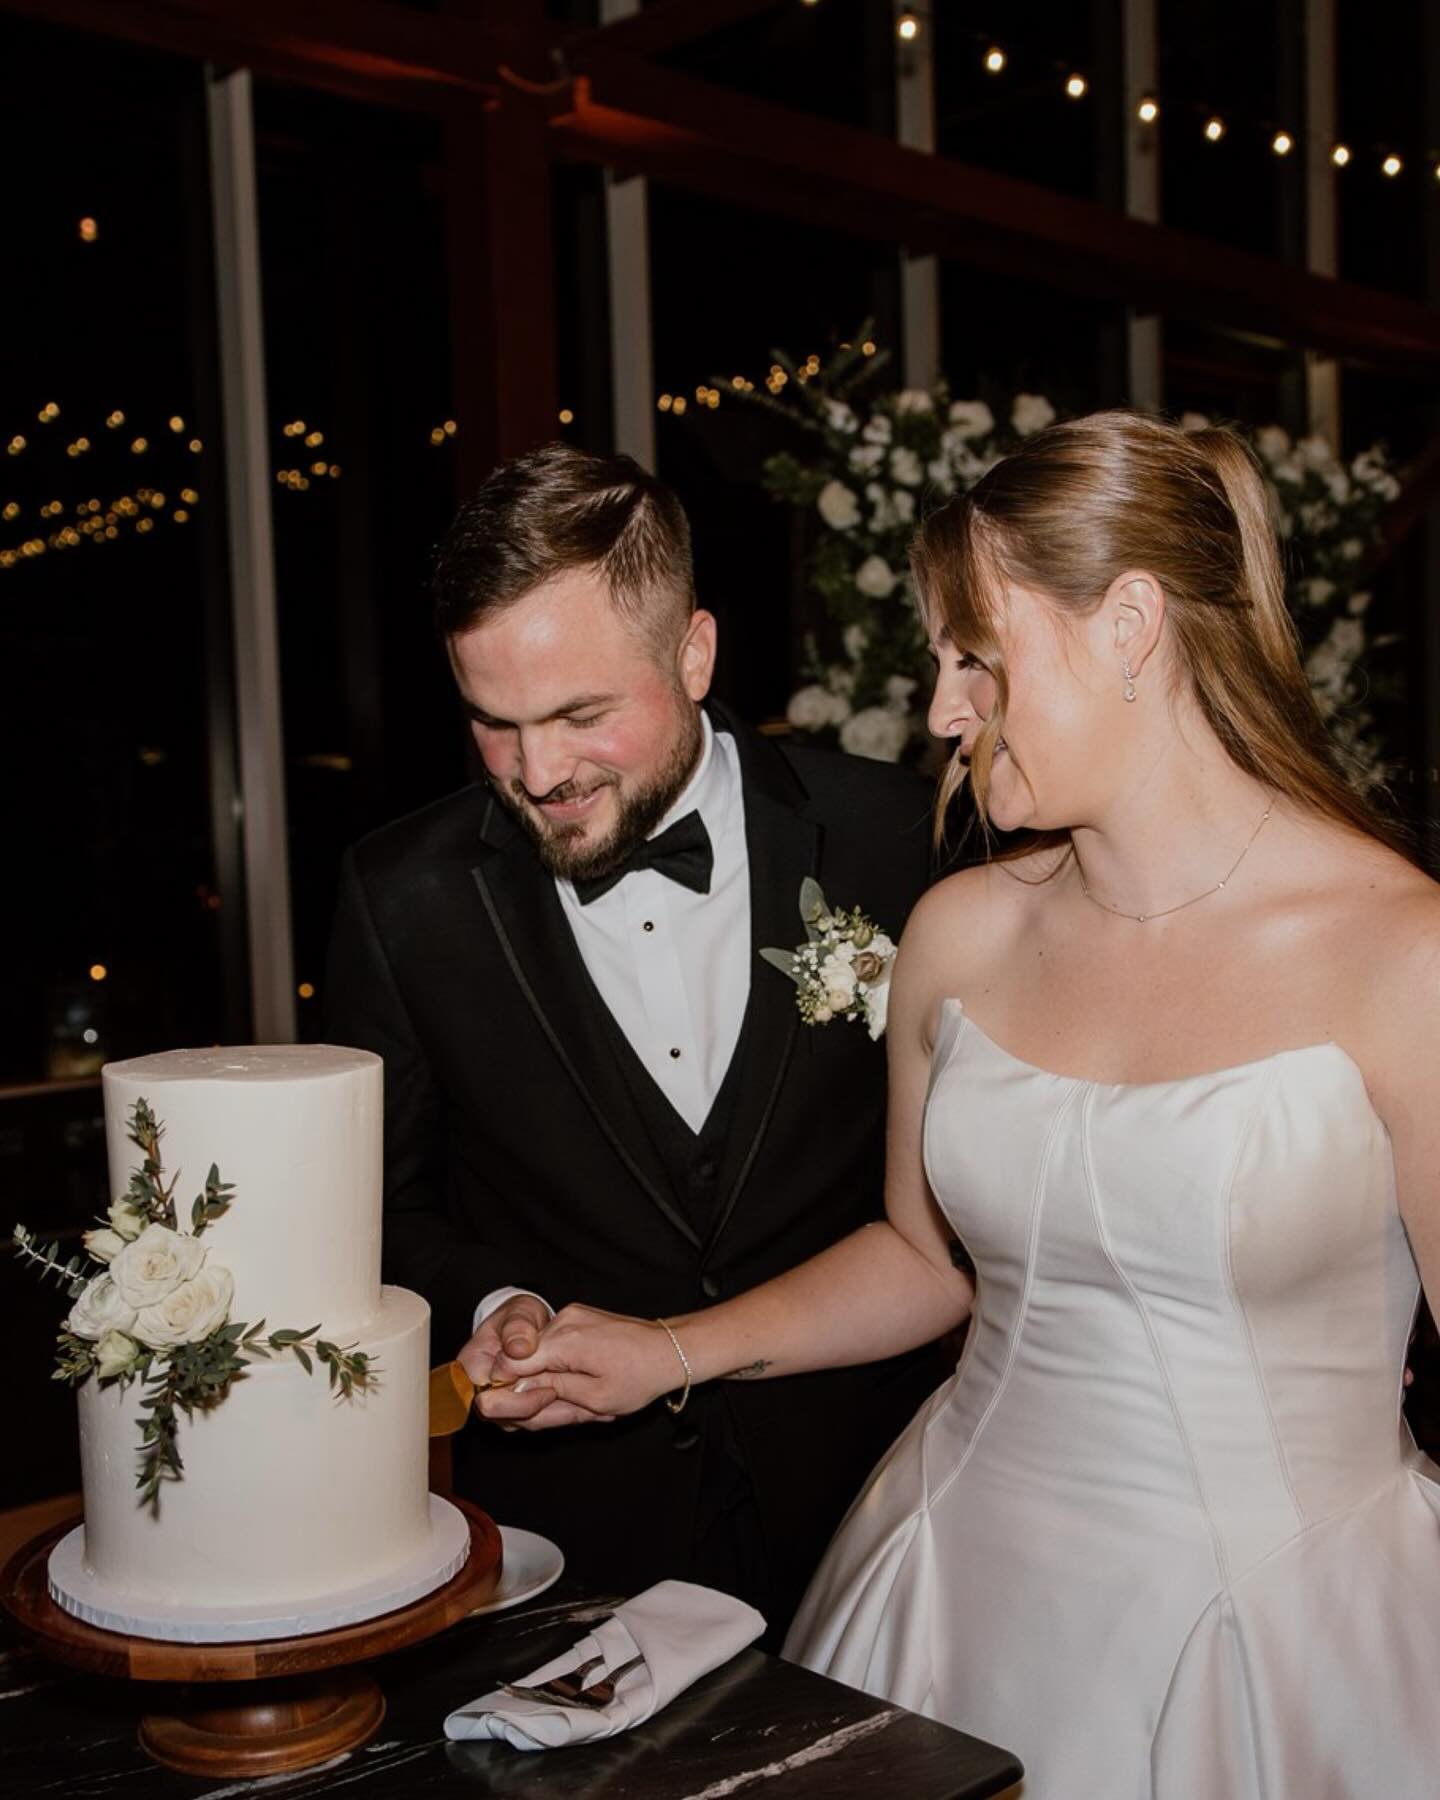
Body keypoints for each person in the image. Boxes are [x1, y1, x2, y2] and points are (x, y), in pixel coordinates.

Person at [491, 412, 1440, 1797]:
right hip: (955, 1583)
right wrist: (667, 1351)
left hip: (1282, 1623)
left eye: (975, 658)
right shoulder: (962, 932)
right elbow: (926, 1259)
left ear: (1130, 627)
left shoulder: (1402, 956)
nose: (941, 710)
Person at [323, 442, 949, 1639]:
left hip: (879, 1501)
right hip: (577, 1547)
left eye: (581, 714)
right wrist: (499, 1300)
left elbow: (959, 1207)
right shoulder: (402, 896)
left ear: (695, 654)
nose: (538, 771)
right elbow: (380, 1214)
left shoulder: (896, 841)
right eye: (494, 723)